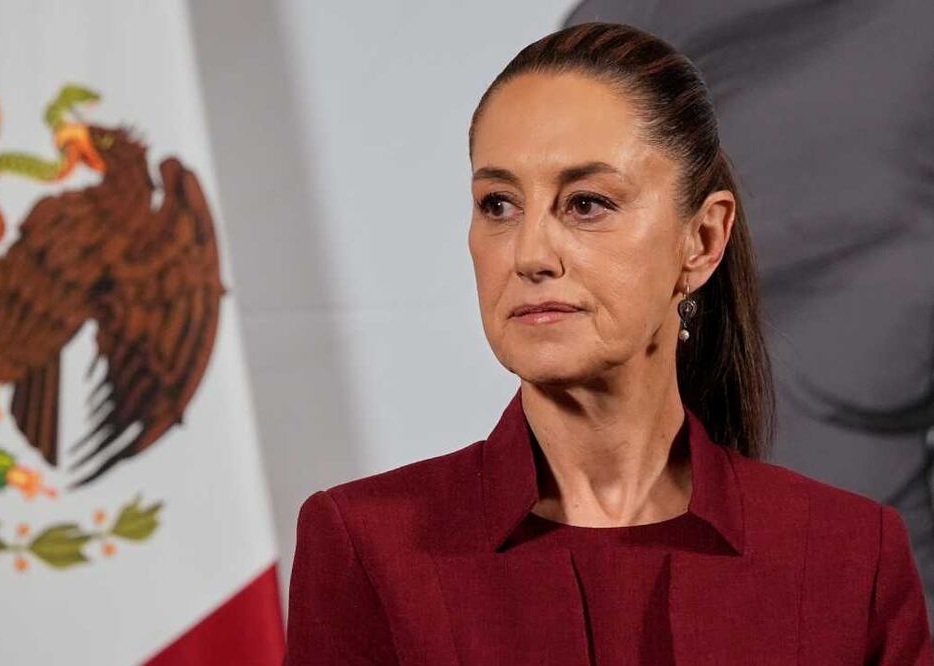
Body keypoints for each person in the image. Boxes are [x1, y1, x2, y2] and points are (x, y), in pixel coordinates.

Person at [282, 22, 932, 665]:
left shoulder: (852, 555)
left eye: (586, 203)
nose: (530, 254)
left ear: (702, 240)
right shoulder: (364, 545)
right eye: (499, 204)